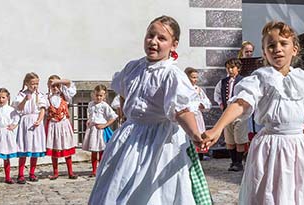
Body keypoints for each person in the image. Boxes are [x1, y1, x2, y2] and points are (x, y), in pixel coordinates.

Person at [203, 20, 304, 204]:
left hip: (301, 148)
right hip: (270, 147)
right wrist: (217, 128)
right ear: (265, 52)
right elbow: (241, 103)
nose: (277, 49)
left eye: (283, 43)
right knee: (271, 193)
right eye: (271, 45)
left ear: (295, 49)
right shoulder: (261, 78)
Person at [88, 15, 211, 204]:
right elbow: (123, 91)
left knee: (155, 191)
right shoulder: (133, 67)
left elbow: (182, 110)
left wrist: (196, 134)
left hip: (160, 141)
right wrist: (129, 116)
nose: (153, 42)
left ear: (174, 44)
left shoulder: (172, 75)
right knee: (120, 184)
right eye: (150, 36)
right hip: (130, 137)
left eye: (161, 38)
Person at [213, 58, 249, 171]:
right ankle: (233, 161)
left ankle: (239, 162)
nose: (230, 70)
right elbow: (217, 94)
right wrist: (221, 104)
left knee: (239, 139)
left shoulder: (244, 81)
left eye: (232, 67)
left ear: (238, 68)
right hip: (227, 114)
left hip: (240, 115)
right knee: (229, 139)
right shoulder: (223, 82)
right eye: (228, 68)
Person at [13, 72, 49, 184]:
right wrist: (25, 100)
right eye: (32, 83)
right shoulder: (21, 95)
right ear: (27, 83)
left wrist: (39, 119)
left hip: (36, 121)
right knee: (24, 147)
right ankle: (20, 174)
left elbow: (43, 108)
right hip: (25, 121)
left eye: (37, 84)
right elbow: (18, 108)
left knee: (35, 147)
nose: (35, 86)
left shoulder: (40, 95)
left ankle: (32, 173)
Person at [45, 75, 80, 180]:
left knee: (66, 146)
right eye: (53, 86)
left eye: (57, 85)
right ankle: (55, 172)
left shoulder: (65, 95)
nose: (55, 88)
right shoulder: (46, 98)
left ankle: (70, 171)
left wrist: (58, 81)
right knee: (54, 147)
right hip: (53, 125)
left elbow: (69, 82)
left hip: (63, 124)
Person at [82, 84, 118, 177]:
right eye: (97, 95)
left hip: (100, 130)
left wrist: (105, 125)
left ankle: (101, 169)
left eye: (100, 95)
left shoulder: (104, 106)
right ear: (93, 94)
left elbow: (113, 117)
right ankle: (94, 170)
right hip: (93, 130)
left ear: (104, 96)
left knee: (102, 150)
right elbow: (90, 115)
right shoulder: (90, 104)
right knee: (94, 151)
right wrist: (88, 121)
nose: (98, 97)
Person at [185, 67, 213, 159]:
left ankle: (200, 154)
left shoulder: (198, 89)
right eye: (193, 77)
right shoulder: (182, 89)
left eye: (196, 77)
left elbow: (207, 102)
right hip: (187, 116)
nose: (195, 80)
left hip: (197, 116)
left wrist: (203, 105)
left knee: (199, 134)